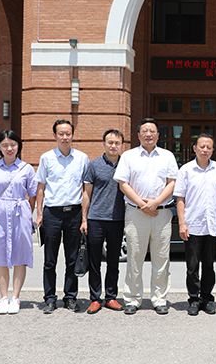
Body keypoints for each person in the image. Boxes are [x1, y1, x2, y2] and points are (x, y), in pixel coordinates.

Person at [113, 118, 178, 315]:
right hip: (136, 212)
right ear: (138, 135)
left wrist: (155, 202)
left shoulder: (167, 156)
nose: (148, 134)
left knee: (161, 258)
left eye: (152, 131)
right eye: (145, 131)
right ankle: (132, 299)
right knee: (134, 257)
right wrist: (143, 205)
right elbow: (123, 184)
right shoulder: (128, 156)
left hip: (162, 212)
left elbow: (172, 182)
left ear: (158, 135)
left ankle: (159, 298)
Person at [0, 130, 37, 315]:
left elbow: (33, 195)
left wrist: (28, 214)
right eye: (5, 145)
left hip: (21, 213)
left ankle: (16, 297)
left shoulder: (27, 169)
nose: (9, 148)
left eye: (13, 144)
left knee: (20, 256)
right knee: (1, 256)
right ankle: (3, 297)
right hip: (0, 213)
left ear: (19, 146)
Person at [35, 119, 89, 314]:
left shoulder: (82, 158)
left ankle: (70, 297)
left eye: (68, 134)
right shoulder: (46, 158)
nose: (65, 137)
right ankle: (49, 298)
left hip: (74, 213)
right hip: (52, 214)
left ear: (73, 135)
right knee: (50, 260)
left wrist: (84, 218)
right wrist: (39, 213)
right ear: (55, 135)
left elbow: (86, 189)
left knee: (72, 259)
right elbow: (41, 187)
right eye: (61, 134)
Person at [173, 134, 216, 316]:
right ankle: (194, 299)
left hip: (211, 224)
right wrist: (182, 223)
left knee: (209, 265)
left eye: (208, 147)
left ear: (213, 150)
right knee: (192, 266)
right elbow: (180, 198)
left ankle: (207, 298)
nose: (205, 150)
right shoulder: (186, 170)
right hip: (192, 224)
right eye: (202, 146)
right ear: (195, 148)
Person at [80, 129, 126, 314]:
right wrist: (84, 218)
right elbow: (86, 193)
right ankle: (95, 298)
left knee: (114, 261)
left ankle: (111, 297)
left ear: (121, 145)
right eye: (110, 142)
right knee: (94, 261)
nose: (113, 146)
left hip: (117, 219)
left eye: (117, 143)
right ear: (104, 144)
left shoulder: (126, 164)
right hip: (96, 218)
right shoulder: (94, 165)